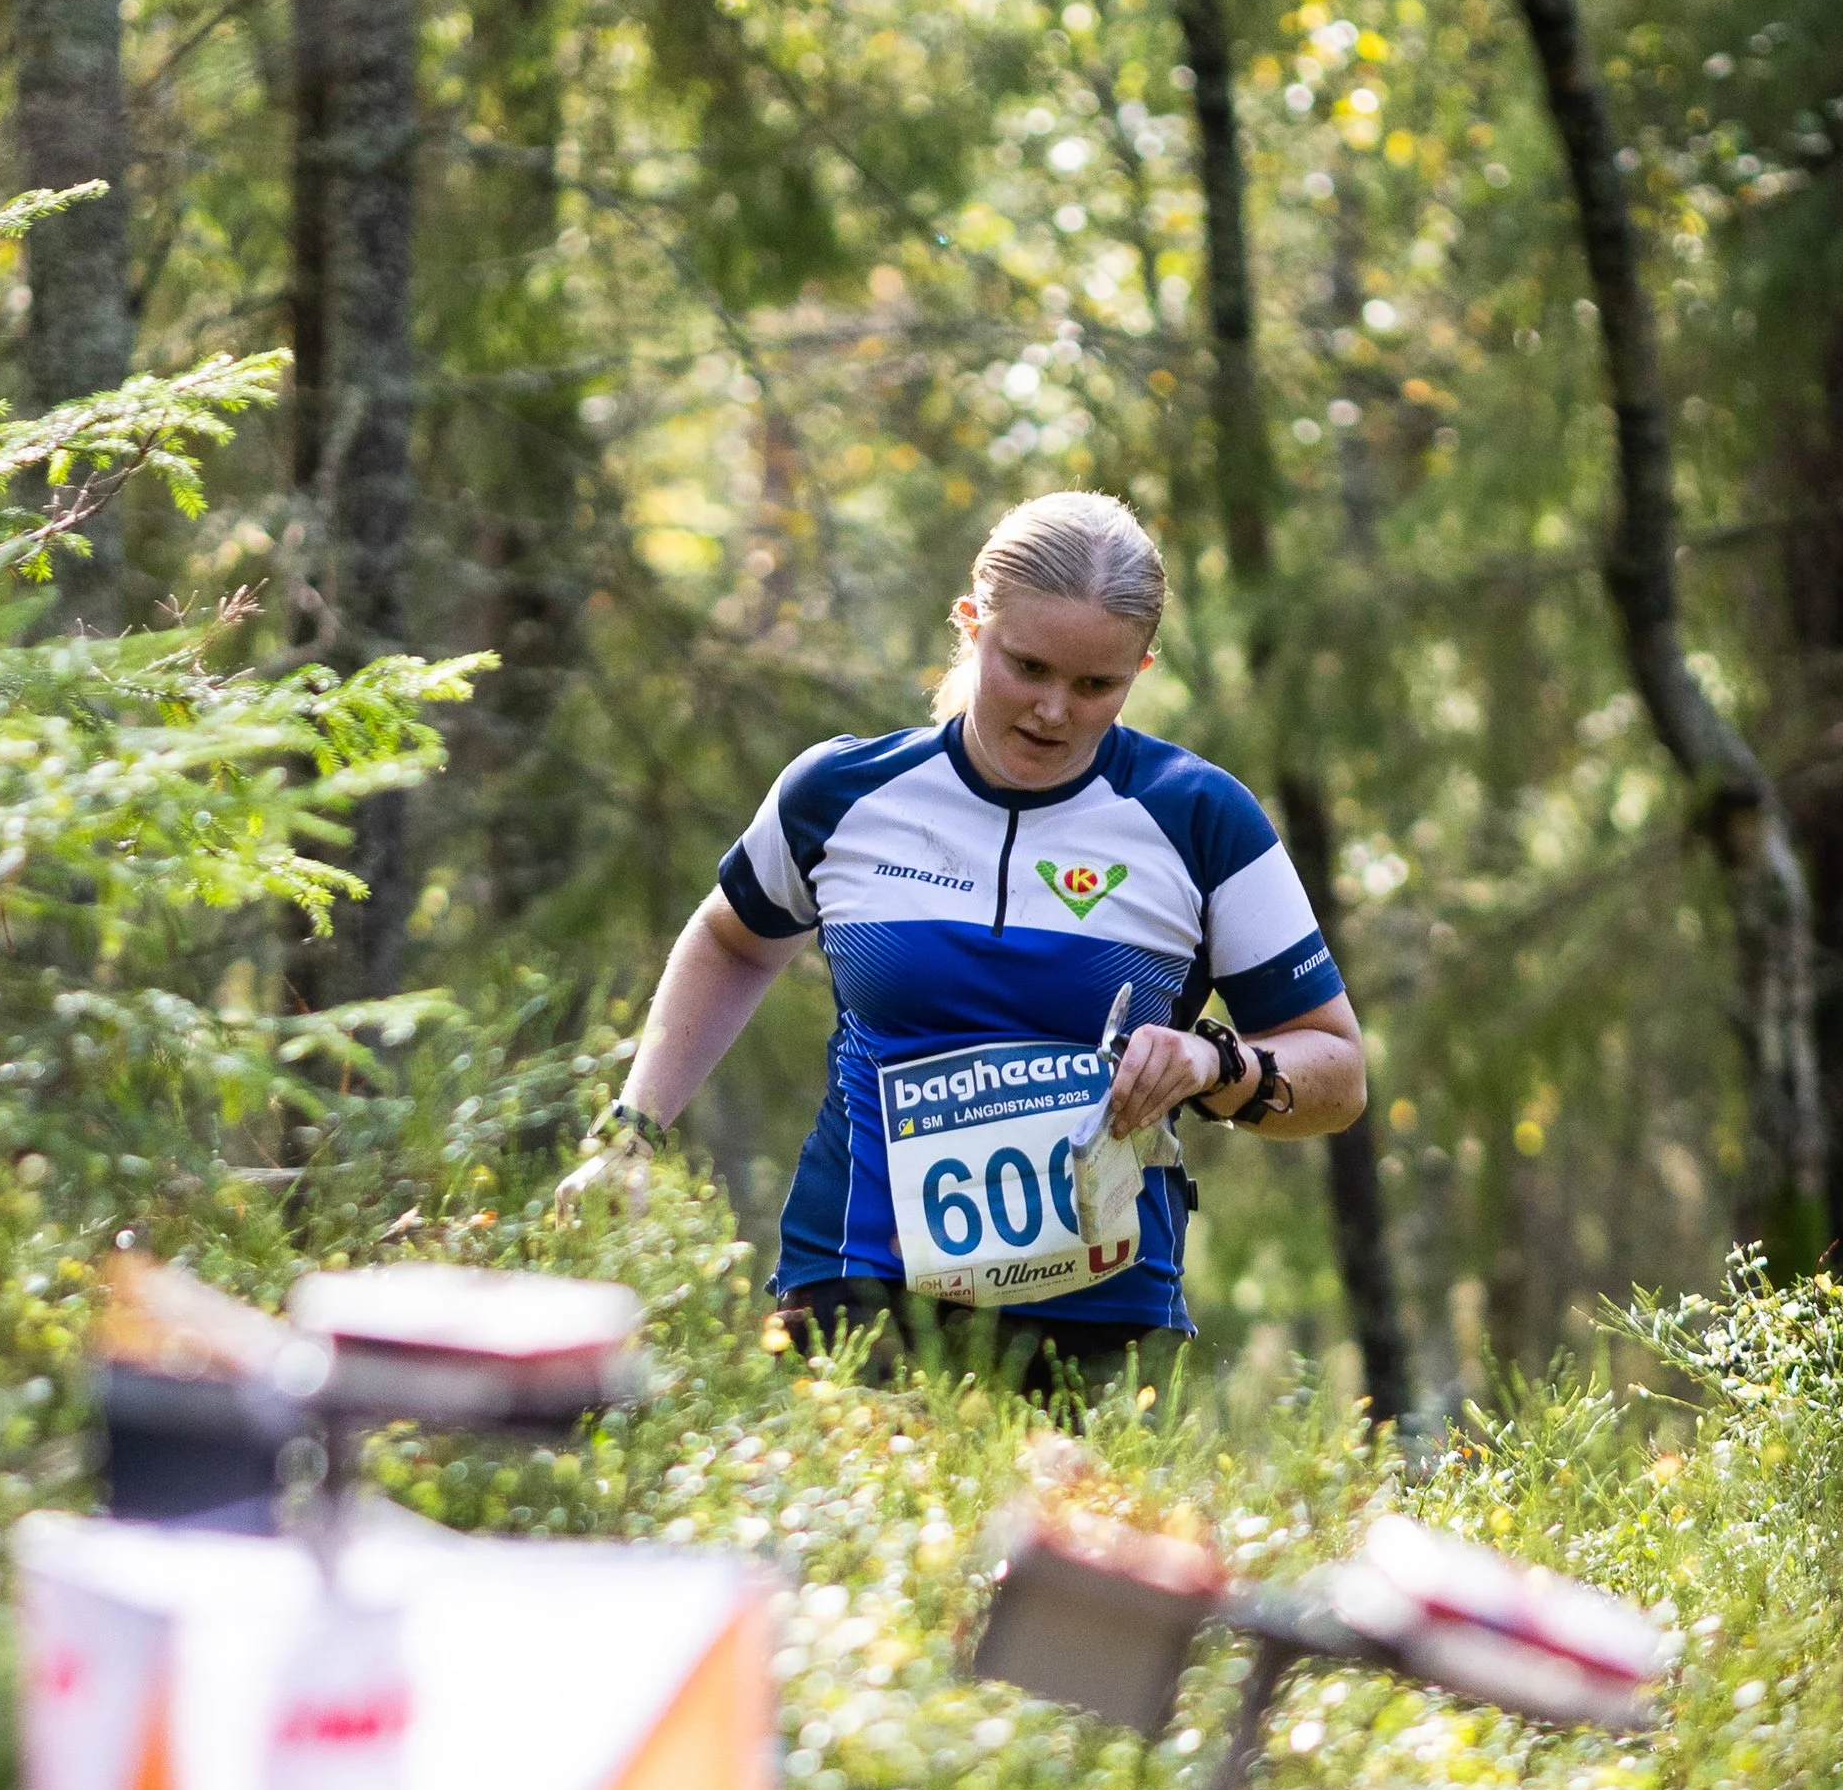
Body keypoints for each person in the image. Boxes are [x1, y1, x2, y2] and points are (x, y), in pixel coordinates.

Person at [556, 491, 1368, 1392]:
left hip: (1101, 1318)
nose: (1055, 709)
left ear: (1140, 667)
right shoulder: (842, 792)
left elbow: (1337, 1071)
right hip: (853, 1283)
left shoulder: (1201, 818)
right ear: (971, 623)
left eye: (1097, 684)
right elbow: (732, 942)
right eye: (1027, 665)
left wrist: (1217, 1065)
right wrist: (630, 1134)